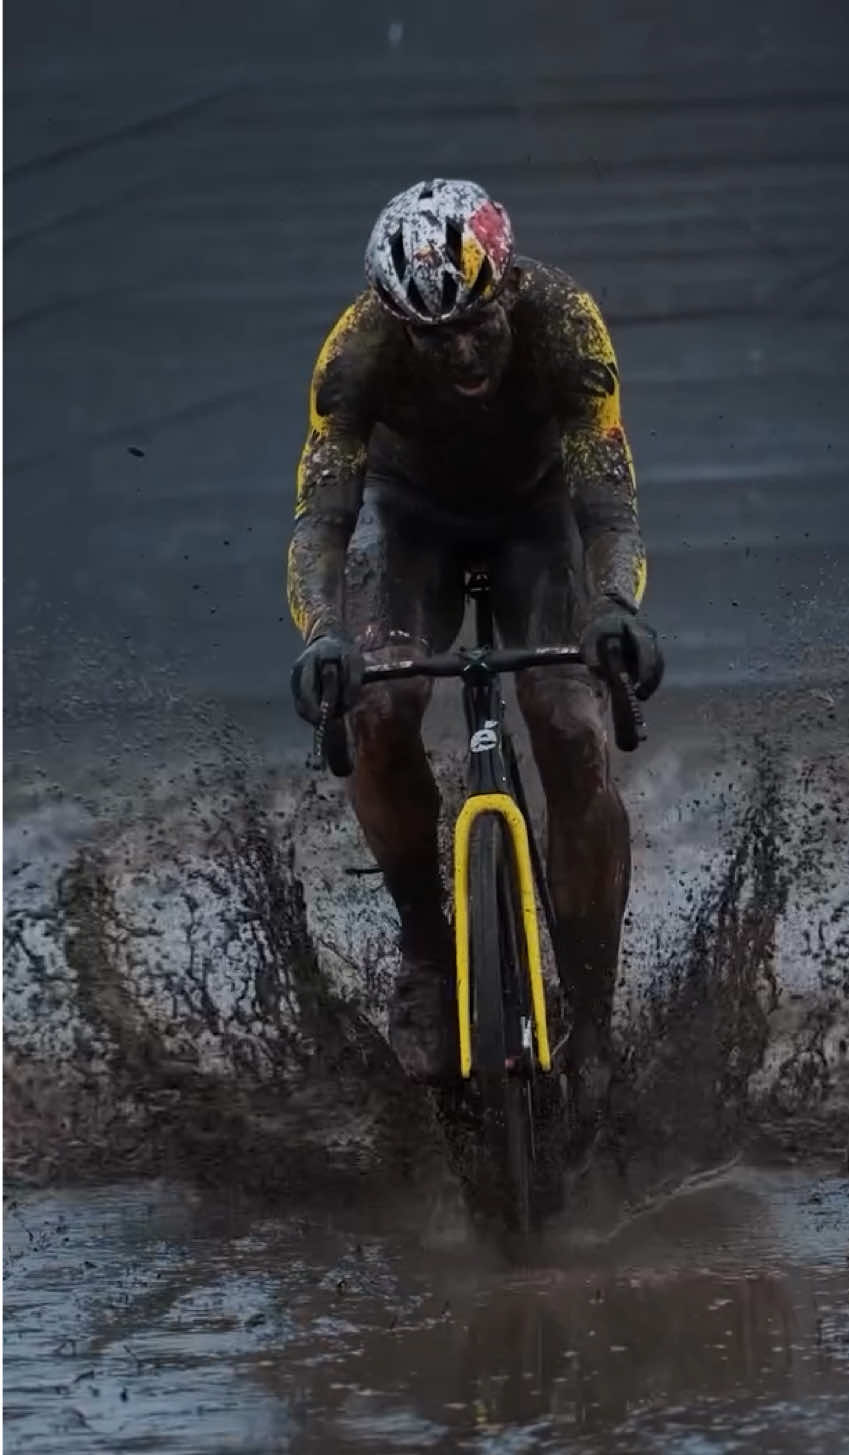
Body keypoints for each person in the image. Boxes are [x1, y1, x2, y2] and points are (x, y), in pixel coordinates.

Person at [288, 178, 663, 1128]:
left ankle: (594, 1017)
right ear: (394, 325)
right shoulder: (355, 352)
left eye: (476, 326)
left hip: (537, 526)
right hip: (413, 528)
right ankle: (427, 948)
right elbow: (321, 522)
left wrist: (616, 607)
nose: (460, 353)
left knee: (570, 725)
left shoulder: (565, 323)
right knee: (374, 708)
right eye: (433, 337)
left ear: (506, 292)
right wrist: (322, 634)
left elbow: (607, 503)